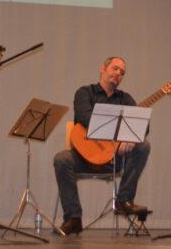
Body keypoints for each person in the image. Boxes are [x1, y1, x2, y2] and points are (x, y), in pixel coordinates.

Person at [53, 56, 151, 236]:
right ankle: (73, 218)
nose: (118, 74)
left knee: (143, 145)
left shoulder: (126, 98)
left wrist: (131, 138)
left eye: (122, 72)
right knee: (61, 159)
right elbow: (84, 117)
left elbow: (144, 126)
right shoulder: (84, 93)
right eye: (115, 69)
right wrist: (118, 134)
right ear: (102, 69)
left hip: (115, 159)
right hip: (84, 156)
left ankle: (124, 199)